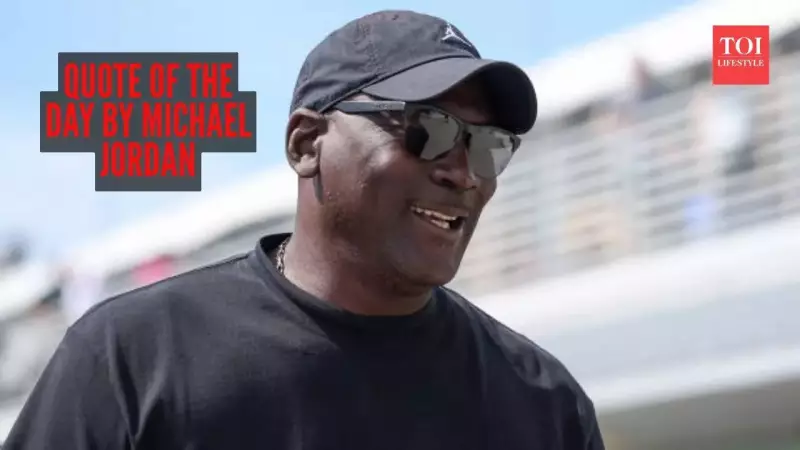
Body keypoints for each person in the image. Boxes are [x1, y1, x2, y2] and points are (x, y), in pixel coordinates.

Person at [4, 10, 604, 450]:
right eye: (430, 129)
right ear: (306, 144)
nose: (464, 173)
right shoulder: (133, 356)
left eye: (488, 146)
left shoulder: (543, 403)